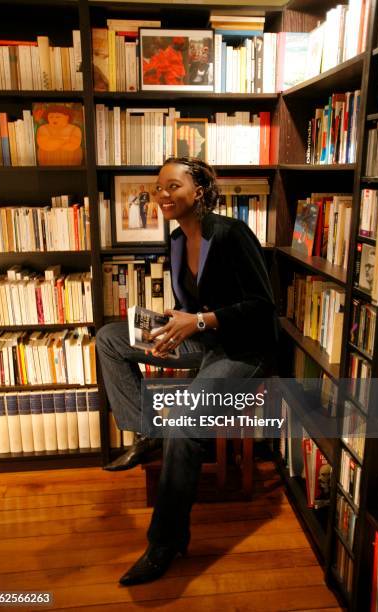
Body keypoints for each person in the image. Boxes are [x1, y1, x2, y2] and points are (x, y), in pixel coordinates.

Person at [96, 157, 279, 586]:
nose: (162, 195)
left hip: (244, 350)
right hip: (200, 338)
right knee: (110, 338)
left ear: (198, 191)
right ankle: (146, 431)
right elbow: (196, 304)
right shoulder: (177, 239)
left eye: (172, 186)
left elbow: (262, 307)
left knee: (185, 427)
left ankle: (165, 541)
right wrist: (179, 318)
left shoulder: (232, 234)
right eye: (158, 187)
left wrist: (198, 321)